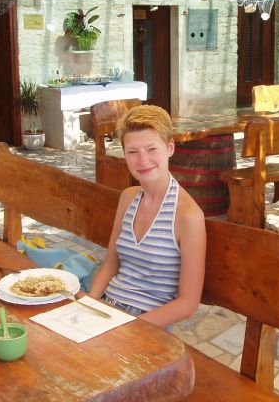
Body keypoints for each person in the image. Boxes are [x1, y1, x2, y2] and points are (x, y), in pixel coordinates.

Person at [88, 105, 206, 328]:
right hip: (108, 308)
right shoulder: (128, 198)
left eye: (152, 149)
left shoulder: (188, 216)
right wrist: (89, 303)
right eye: (133, 152)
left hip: (147, 325)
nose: (143, 160)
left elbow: (188, 304)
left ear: (170, 147)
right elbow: (111, 264)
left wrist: (127, 328)